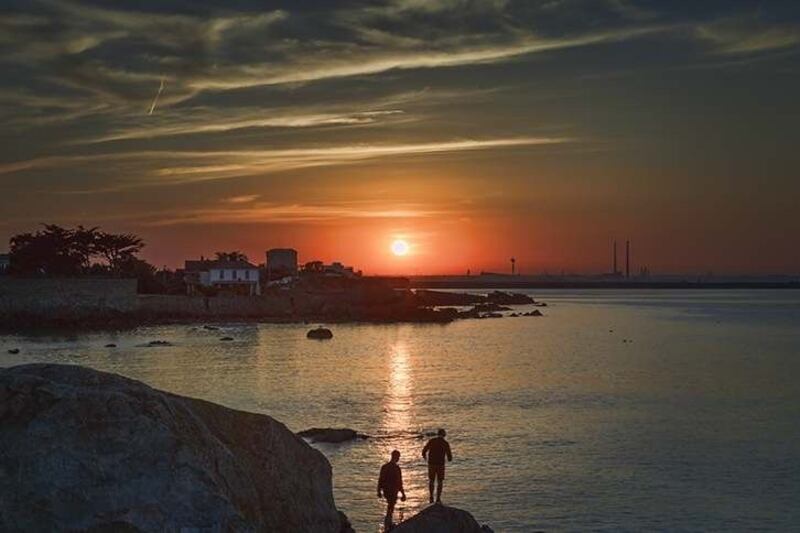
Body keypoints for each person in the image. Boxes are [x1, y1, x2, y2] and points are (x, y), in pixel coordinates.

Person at [377, 450, 406, 529]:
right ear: (396, 457)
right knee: (391, 506)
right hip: (393, 489)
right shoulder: (396, 468)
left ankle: (388, 522)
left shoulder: (384, 467)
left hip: (386, 489)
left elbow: (380, 479)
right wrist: (403, 494)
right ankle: (388, 523)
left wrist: (379, 490)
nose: (399, 458)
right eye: (398, 457)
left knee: (390, 505)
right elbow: (399, 482)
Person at [422, 428, 453, 503]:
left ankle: (431, 496)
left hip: (431, 464)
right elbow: (449, 457)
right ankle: (438, 498)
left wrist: (426, 458)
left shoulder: (432, 441)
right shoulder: (445, 443)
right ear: (444, 435)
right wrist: (449, 458)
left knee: (431, 480)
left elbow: (424, 451)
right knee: (440, 481)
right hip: (440, 464)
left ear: (438, 434)